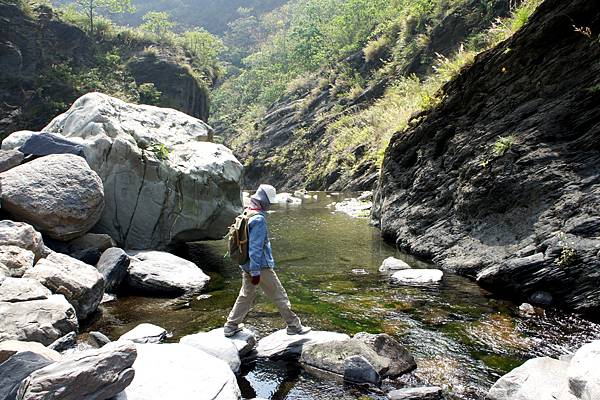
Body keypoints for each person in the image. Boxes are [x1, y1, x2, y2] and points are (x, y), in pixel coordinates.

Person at [224, 184, 311, 337]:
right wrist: (256, 271)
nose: (270, 204)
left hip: (246, 264)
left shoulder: (247, 212)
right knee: (279, 295)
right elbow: (256, 248)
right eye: (269, 201)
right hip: (260, 267)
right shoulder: (259, 219)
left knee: (246, 295)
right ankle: (294, 326)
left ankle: (231, 325)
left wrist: (250, 268)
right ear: (264, 201)